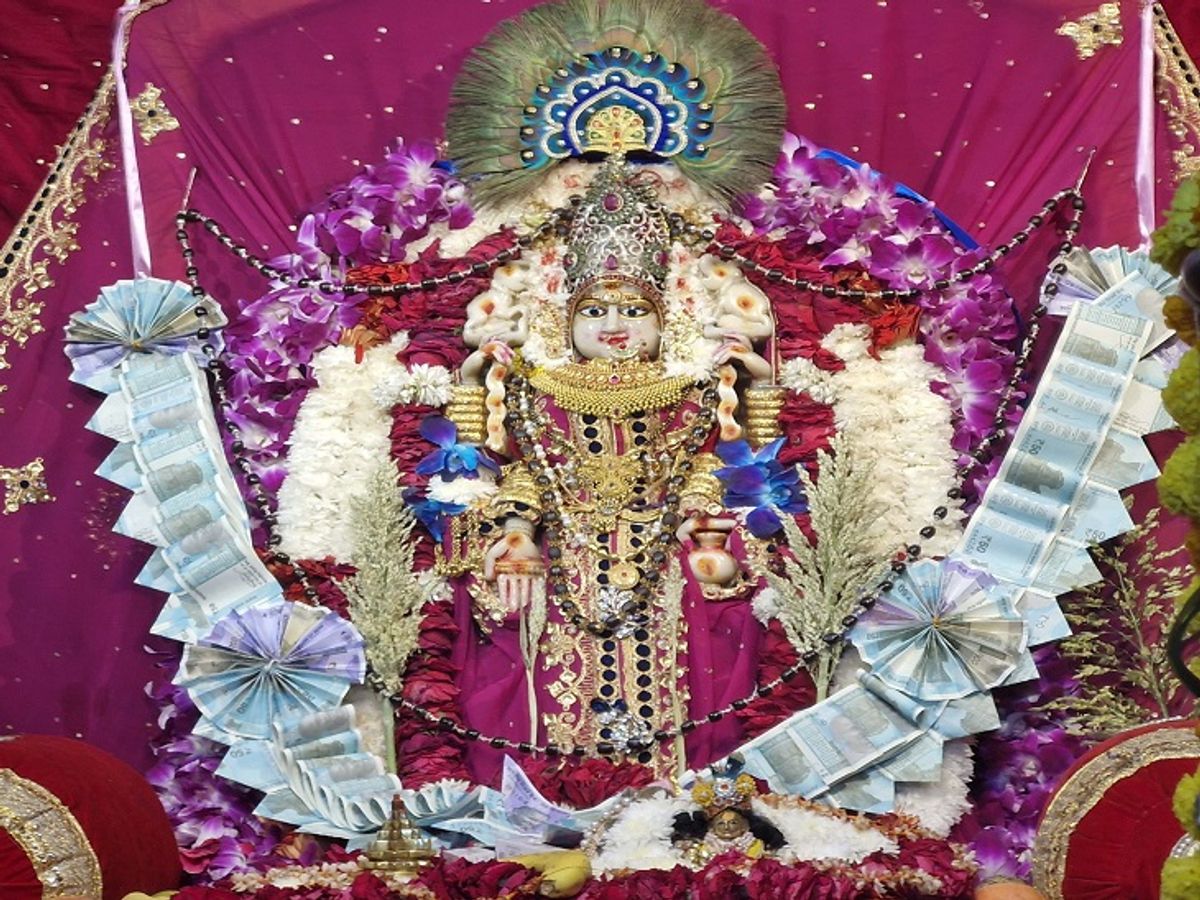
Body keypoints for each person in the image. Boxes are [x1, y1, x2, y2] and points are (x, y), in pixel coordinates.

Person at [439, 155, 781, 781]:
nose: (616, 325)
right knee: (501, 580)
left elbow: (713, 464)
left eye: (634, 311)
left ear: (662, 321)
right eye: (594, 313)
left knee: (730, 571)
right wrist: (517, 530)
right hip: (565, 555)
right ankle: (560, 789)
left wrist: (700, 518)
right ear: (566, 325)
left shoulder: (689, 388)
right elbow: (518, 472)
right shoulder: (535, 388)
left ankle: (678, 794)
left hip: (662, 554)